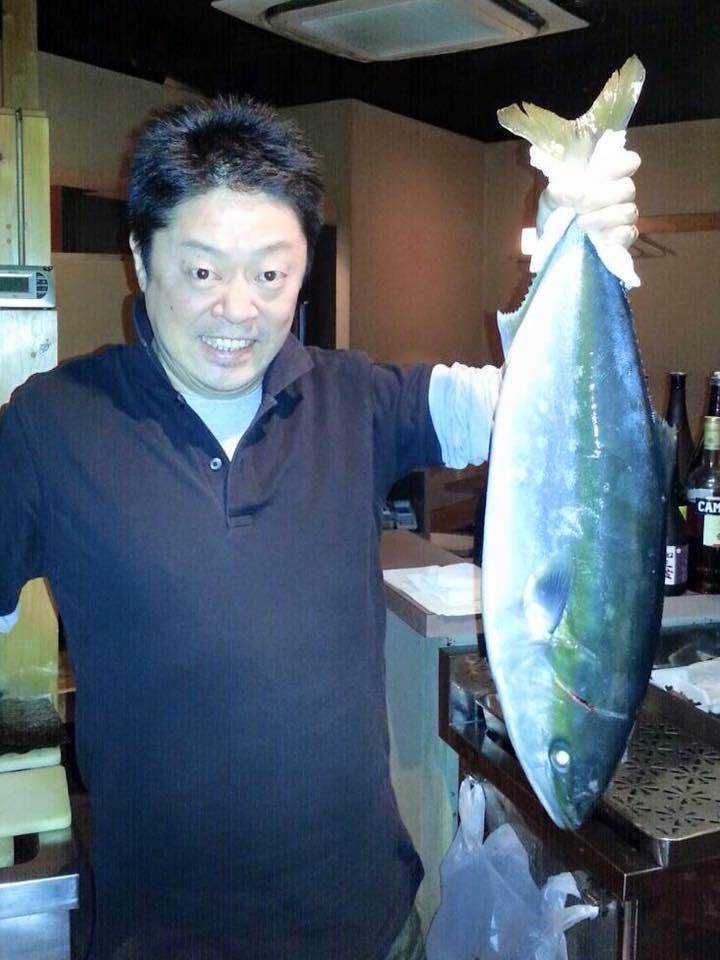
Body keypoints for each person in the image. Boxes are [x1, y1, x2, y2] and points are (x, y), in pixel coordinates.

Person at [0, 95, 639, 960]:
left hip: (368, 927)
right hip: (162, 941)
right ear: (141, 258)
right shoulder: (51, 425)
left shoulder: (356, 398)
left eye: (270, 275)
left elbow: (556, 422)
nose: (237, 309)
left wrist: (574, 243)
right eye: (201, 272)